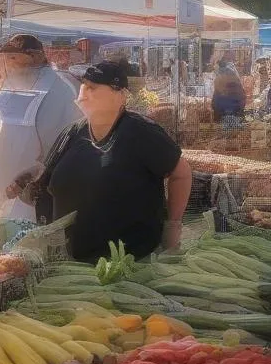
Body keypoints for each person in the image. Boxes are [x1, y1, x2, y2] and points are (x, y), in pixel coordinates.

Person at [26, 60, 192, 262]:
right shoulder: (72, 133)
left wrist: (173, 227)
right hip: (73, 261)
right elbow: (46, 179)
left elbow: (180, 173)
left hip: (130, 261)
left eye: (93, 87)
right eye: (83, 85)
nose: (84, 92)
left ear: (119, 94)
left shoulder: (140, 132)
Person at [0, 34, 81, 221]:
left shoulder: (59, 91)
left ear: (36, 57)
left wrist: (33, 176)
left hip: (30, 196)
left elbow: (63, 146)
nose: (9, 64)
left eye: (14, 58)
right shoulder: (12, 87)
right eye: (6, 59)